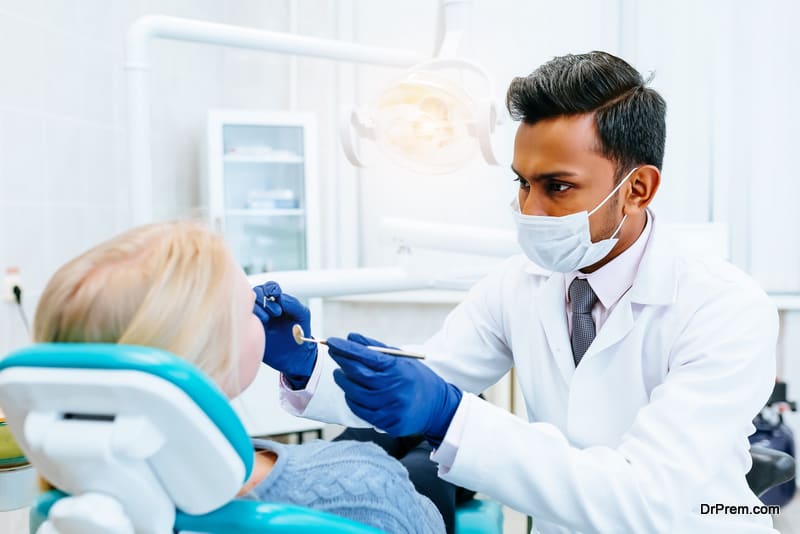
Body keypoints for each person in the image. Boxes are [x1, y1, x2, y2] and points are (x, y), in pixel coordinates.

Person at [255, 51, 780, 533]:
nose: (529, 210)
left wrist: (450, 415)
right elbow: (427, 377)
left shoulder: (725, 309)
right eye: (522, 183)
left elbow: (643, 496)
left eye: (557, 187)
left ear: (638, 188)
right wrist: (308, 363)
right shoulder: (518, 284)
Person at [32, 220, 445, 534]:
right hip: (396, 495)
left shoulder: (72, 497)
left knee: (377, 434)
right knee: (435, 442)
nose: (258, 301)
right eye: (245, 303)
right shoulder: (366, 486)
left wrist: (305, 364)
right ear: (212, 353)